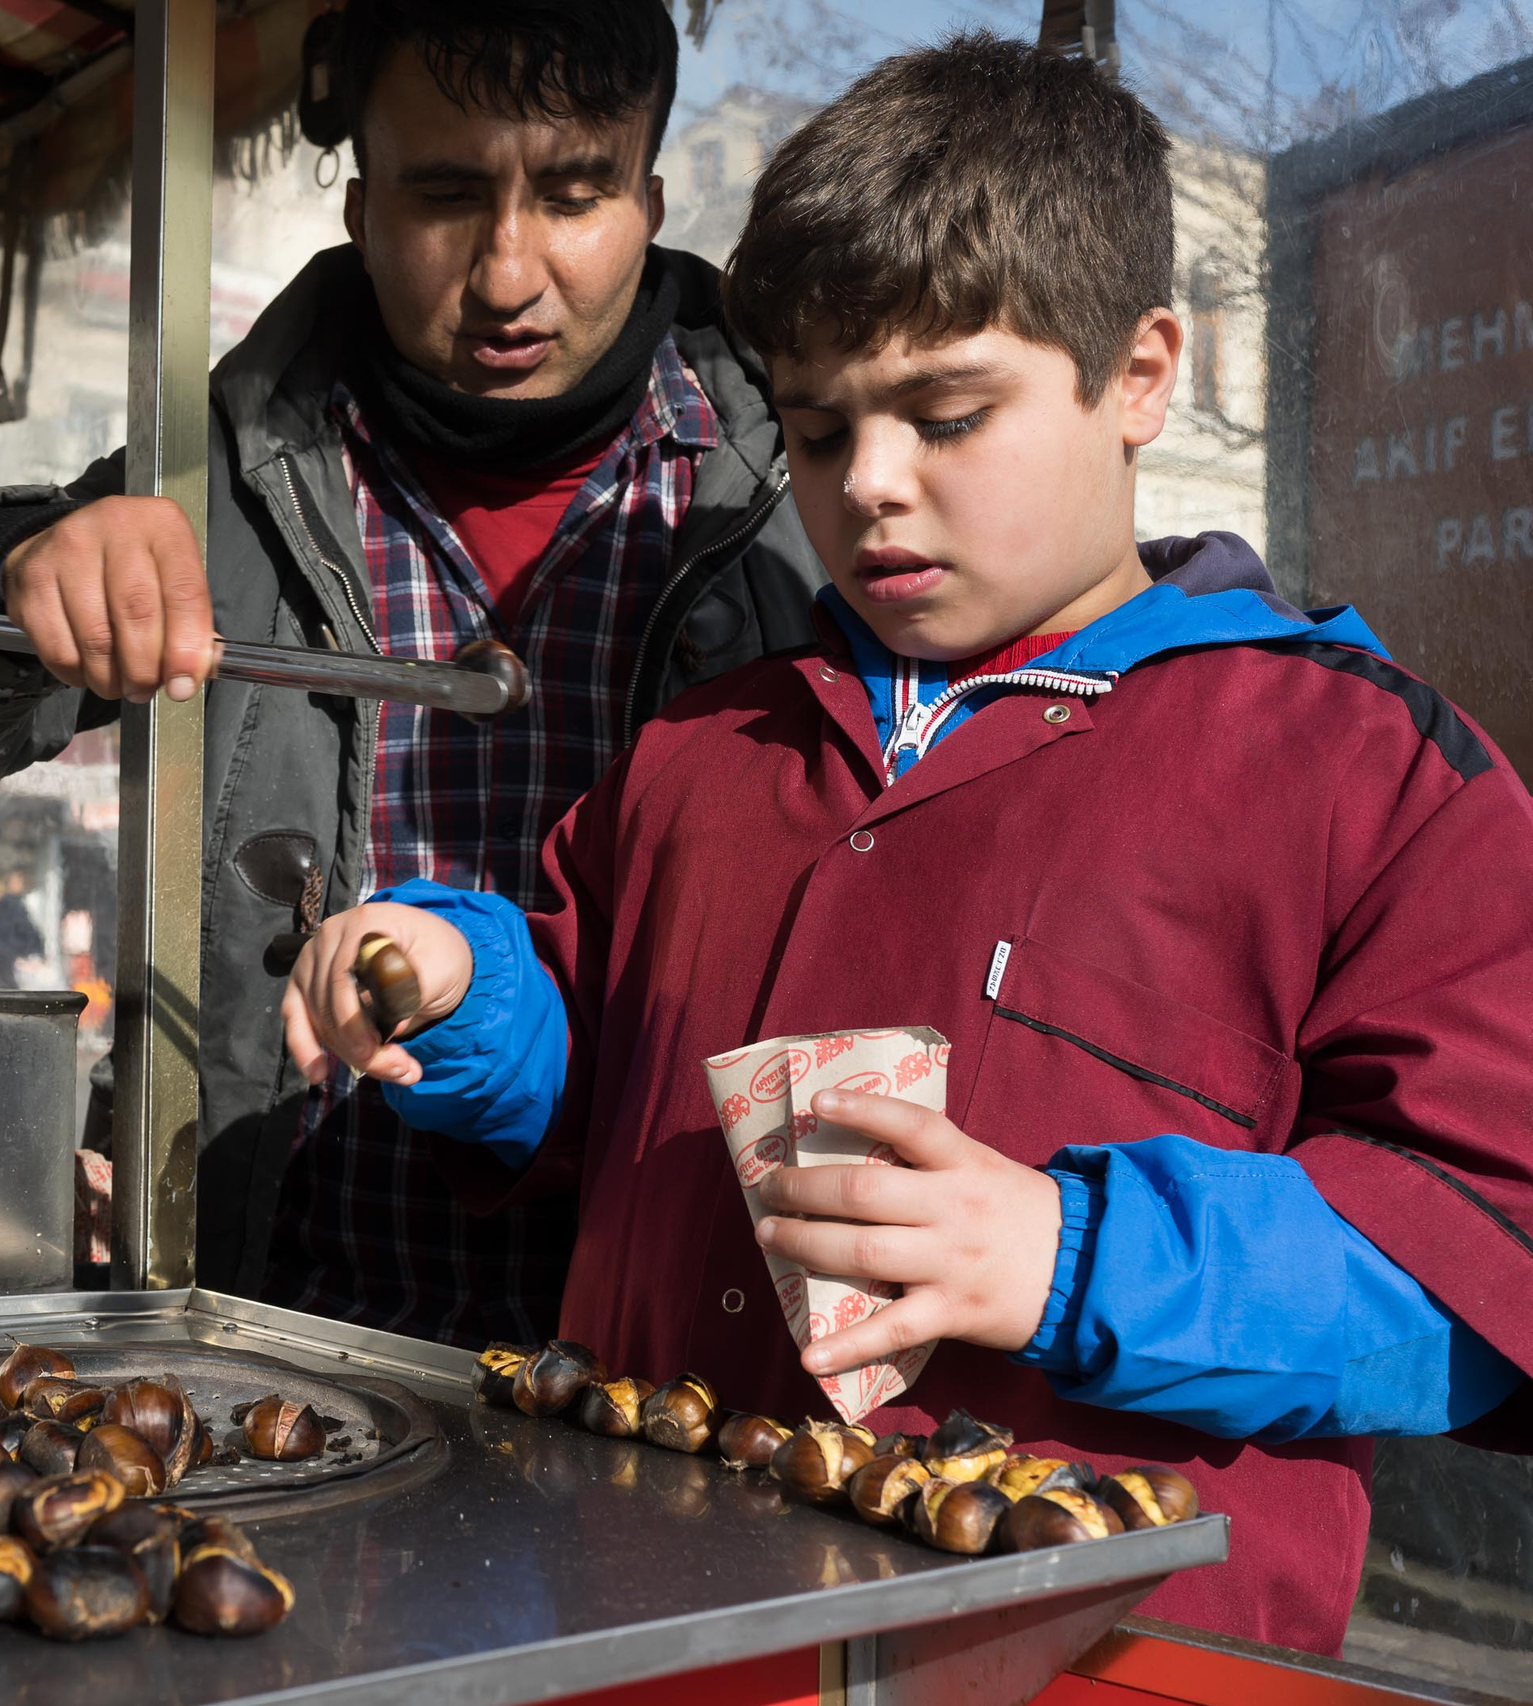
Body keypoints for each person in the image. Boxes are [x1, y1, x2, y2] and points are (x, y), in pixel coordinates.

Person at [281, 35, 1531, 1652]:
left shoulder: (1360, 768)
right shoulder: (704, 749)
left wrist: (1072, 1258)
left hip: (1115, 1666)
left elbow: (1488, 1251)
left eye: (947, 414)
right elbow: (602, 1073)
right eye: (815, 429)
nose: (870, 486)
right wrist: (465, 988)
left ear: (1143, 371)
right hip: (638, 1634)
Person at [0, 0, 823, 1343]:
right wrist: (15, 564)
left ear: (650, 199)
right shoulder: (224, 472)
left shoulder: (802, 492)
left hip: (663, 1344)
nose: (509, 273)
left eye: (574, 195)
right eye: (448, 195)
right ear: (359, 209)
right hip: (275, 1323)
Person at [0, 869, 47, 988]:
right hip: (9, 957)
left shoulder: (18, 905)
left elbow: (27, 931)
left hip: (18, 958)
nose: (19, 885)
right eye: (15, 882)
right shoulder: (5, 905)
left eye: (20, 882)